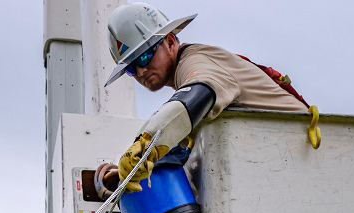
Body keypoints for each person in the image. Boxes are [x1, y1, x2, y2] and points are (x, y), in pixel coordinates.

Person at [104, 3, 312, 190]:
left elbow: (200, 92)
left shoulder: (195, 61)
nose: (141, 71)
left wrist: (146, 144)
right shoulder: (187, 80)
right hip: (283, 165)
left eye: (144, 56)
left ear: (169, 42)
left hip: (307, 154)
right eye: (131, 68)